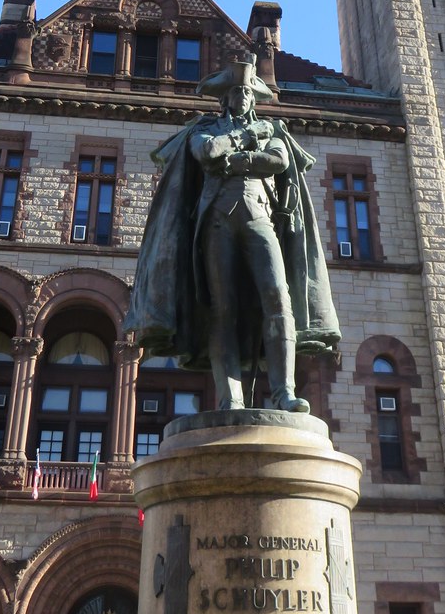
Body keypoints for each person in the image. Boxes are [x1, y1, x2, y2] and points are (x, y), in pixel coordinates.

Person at [124, 56, 339, 413]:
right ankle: (231, 398)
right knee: (223, 308)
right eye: (235, 91)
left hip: (260, 220)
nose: (241, 96)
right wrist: (246, 139)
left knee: (278, 299)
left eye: (246, 91)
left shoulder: (275, 131)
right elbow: (206, 152)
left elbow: (278, 161)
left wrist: (232, 160)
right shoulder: (204, 129)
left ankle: (283, 392)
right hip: (216, 224)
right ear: (224, 98)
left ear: (254, 98)